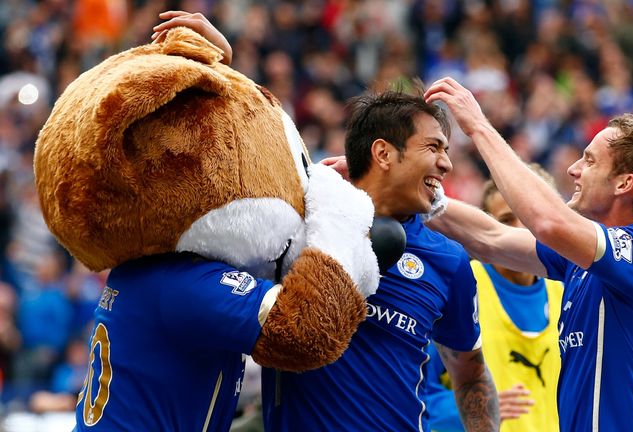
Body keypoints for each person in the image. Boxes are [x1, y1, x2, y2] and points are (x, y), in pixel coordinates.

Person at [154, 13, 499, 431]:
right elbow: (242, 149)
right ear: (384, 154)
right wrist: (220, 62)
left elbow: (470, 372)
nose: (446, 163)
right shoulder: (301, 219)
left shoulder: (448, 261)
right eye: (433, 147)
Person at [424, 77, 633, 431]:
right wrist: (403, 190)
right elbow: (489, 237)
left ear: (624, 184)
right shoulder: (584, 263)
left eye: (590, 161)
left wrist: (479, 126)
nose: (573, 169)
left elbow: (548, 222)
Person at [424, 171, 564, 432]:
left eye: (529, 218)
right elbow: (417, 388)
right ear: (487, 228)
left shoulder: (568, 293)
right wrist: (470, 407)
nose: (521, 230)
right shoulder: (462, 285)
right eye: (506, 220)